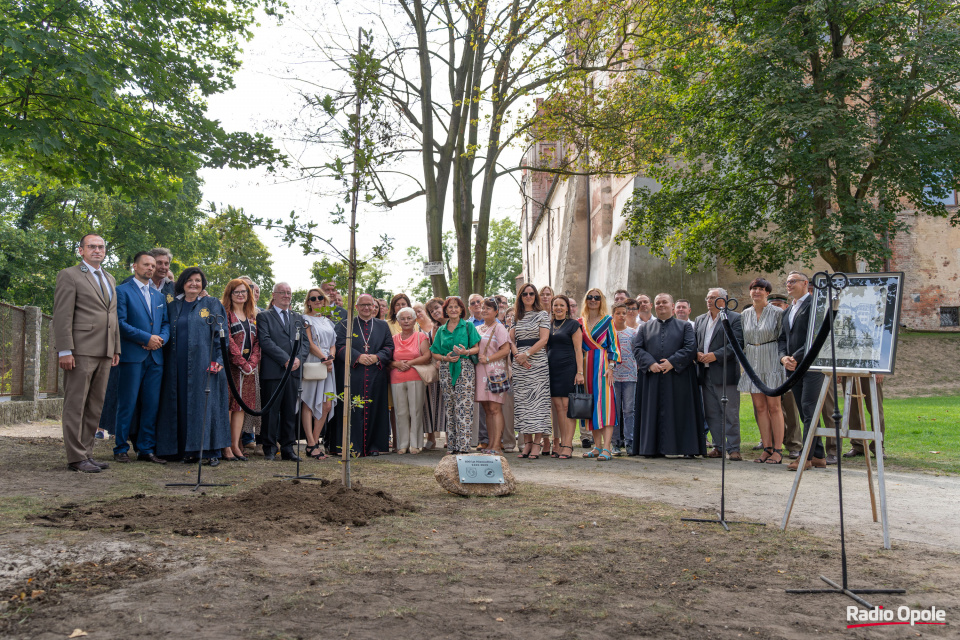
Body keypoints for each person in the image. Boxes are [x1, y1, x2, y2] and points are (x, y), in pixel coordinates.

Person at [53, 234, 122, 473]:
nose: (97, 250)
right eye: (91, 247)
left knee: (95, 406)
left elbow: (112, 316)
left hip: (105, 351)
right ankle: (75, 457)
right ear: (80, 250)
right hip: (80, 350)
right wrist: (64, 350)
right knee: (76, 405)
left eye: (101, 247)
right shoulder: (69, 275)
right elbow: (62, 315)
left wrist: (115, 348)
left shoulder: (109, 277)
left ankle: (86, 454)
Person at [155, 267, 230, 463]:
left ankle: (208, 452)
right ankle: (181, 451)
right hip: (175, 365)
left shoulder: (212, 303)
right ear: (183, 283)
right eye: (189, 280)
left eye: (198, 280)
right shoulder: (173, 305)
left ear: (203, 284)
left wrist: (219, 360)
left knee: (204, 407)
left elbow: (222, 336)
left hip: (204, 364)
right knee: (178, 405)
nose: (194, 284)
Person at [632, 293, 706, 458]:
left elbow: (690, 348)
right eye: (658, 303)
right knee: (653, 412)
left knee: (682, 411)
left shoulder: (685, 326)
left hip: (679, 377)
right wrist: (650, 363)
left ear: (672, 306)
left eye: (664, 302)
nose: (661, 305)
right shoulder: (644, 327)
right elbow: (637, 348)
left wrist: (672, 362)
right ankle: (652, 448)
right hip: (653, 376)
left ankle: (687, 448)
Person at [114, 251, 169, 464]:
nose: (151, 269)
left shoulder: (159, 296)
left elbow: (165, 323)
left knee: (151, 405)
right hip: (132, 356)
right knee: (127, 403)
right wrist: (146, 338)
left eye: (153, 266)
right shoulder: (121, 291)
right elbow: (120, 322)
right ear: (135, 267)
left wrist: (160, 339)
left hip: (155, 358)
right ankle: (120, 447)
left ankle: (146, 449)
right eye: (146, 265)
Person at [333, 293, 395, 456]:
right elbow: (339, 346)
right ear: (356, 307)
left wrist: (377, 357)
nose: (366, 308)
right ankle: (351, 446)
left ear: (375, 307)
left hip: (376, 374)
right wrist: (357, 357)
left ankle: (374, 446)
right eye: (363, 305)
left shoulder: (382, 325)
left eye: (370, 305)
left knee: (375, 408)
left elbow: (389, 347)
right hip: (353, 374)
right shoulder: (346, 325)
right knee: (352, 410)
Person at [257, 282, 311, 461]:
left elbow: (304, 343)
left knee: (290, 411)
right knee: (271, 412)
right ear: (274, 295)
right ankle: (270, 447)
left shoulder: (297, 317)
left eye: (289, 292)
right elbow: (265, 341)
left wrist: (297, 360)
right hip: (273, 371)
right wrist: (285, 359)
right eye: (283, 292)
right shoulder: (264, 316)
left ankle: (288, 448)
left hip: (293, 371)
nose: (287, 295)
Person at [779, 271, 826, 471]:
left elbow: (814, 337)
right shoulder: (787, 311)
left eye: (792, 281)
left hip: (812, 366)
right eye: (787, 282)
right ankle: (818, 456)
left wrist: (795, 357)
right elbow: (782, 339)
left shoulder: (816, 305)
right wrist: (783, 358)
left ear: (805, 283)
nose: (788, 285)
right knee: (805, 410)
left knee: (809, 408)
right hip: (793, 368)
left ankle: (804, 457)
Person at [695, 288, 745, 461]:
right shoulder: (700, 319)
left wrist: (715, 355)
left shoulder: (735, 318)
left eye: (713, 298)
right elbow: (695, 343)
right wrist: (697, 354)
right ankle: (719, 447)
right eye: (708, 297)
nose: (709, 301)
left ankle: (733, 449)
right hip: (705, 371)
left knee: (730, 412)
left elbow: (736, 344)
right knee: (712, 413)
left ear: (724, 300)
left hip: (725, 372)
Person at [430, 296, 481, 454]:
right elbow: (435, 353)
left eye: (456, 307)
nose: (453, 309)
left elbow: (476, 348)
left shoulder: (467, 326)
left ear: (461, 310)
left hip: (464, 369)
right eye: (450, 307)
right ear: (445, 310)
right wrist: (445, 358)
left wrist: (465, 352)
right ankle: (452, 446)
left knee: (464, 407)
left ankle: (464, 446)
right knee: (450, 407)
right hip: (446, 369)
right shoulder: (441, 330)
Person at [220, 278, 260, 461]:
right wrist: (241, 363)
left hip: (249, 370)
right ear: (230, 294)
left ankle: (236, 445)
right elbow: (227, 341)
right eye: (236, 292)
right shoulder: (225, 314)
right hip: (232, 368)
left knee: (240, 408)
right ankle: (225, 446)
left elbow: (257, 343)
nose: (240, 295)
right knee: (229, 406)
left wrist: (252, 362)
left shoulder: (252, 315)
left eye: (244, 291)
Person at [578, 289, 621, 460]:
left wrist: (611, 367)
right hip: (586, 365)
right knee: (591, 406)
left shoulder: (608, 321)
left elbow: (614, 346)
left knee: (606, 406)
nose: (593, 300)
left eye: (597, 297)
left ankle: (607, 447)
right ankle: (597, 447)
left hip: (603, 366)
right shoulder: (580, 322)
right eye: (590, 297)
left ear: (601, 300)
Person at [511, 283, 551, 458]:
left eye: (531, 294)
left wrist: (526, 354)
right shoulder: (516, 316)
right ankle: (526, 443)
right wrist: (518, 356)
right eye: (525, 294)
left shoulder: (542, 314)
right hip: (520, 364)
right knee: (523, 404)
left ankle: (537, 443)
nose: (528, 296)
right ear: (520, 297)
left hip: (537, 363)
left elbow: (544, 340)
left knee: (538, 404)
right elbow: (510, 339)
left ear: (535, 296)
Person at [389, 307, 433, 454]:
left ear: (415, 320)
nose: (406, 321)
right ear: (399, 321)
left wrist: (409, 363)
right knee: (401, 412)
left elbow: (427, 356)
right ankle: (402, 444)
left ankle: (416, 444)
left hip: (415, 377)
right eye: (403, 318)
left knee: (415, 411)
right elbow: (388, 359)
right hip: (396, 378)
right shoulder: (393, 339)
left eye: (409, 318)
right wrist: (397, 364)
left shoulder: (421, 337)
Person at [301, 288, 337, 460]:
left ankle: (314, 443)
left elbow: (333, 343)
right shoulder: (305, 320)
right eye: (313, 298)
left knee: (326, 404)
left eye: (320, 297)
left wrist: (331, 357)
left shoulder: (328, 321)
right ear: (308, 302)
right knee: (309, 402)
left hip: (328, 363)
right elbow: (308, 343)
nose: (317, 300)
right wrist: (324, 358)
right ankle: (311, 443)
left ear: (324, 300)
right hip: (314, 361)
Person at [547, 295, 583, 459]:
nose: (558, 308)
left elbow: (578, 350)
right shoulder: (548, 325)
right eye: (556, 305)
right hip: (552, 370)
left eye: (562, 305)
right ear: (552, 307)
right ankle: (561, 443)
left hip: (568, 368)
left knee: (568, 407)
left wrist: (580, 372)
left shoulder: (573, 324)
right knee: (558, 408)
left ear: (567, 308)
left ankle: (568, 445)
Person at [474, 298, 512, 455]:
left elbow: (506, 350)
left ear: (496, 312)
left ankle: (497, 445)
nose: (484, 310)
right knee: (487, 409)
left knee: (495, 408)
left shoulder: (499, 328)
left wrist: (488, 359)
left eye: (488, 308)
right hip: (481, 372)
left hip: (495, 372)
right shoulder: (479, 328)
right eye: (483, 308)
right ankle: (490, 444)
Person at [611, 302, 637, 455]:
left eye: (623, 313)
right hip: (613, 377)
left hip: (630, 376)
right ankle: (615, 443)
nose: (621, 316)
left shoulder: (633, 333)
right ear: (613, 315)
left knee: (629, 410)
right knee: (614, 411)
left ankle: (630, 442)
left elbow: (637, 352)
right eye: (618, 313)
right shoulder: (610, 333)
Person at [422, 297, 446, 450]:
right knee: (430, 404)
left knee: (447, 404)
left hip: (451, 367)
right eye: (431, 311)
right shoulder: (434, 328)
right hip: (434, 369)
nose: (435, 312)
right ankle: (431, 438)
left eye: (437, 308)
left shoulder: (456, 325)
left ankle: (450, 438)